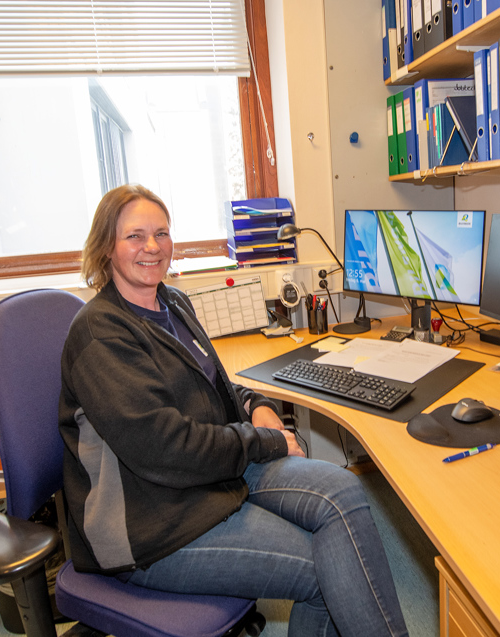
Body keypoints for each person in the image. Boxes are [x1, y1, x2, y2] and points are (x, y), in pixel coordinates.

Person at [59, 184, 409, 637]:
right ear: (107, 246)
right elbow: (163, 448)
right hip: (153, 521)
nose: (151, 247)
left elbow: (216, 385)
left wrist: (257, 405)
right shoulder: (100, 334)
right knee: (327, 570)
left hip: (211, 474)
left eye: (161, 233)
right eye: (135, 236)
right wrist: (263, 441)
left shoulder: (173, 303)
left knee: (343, 493)